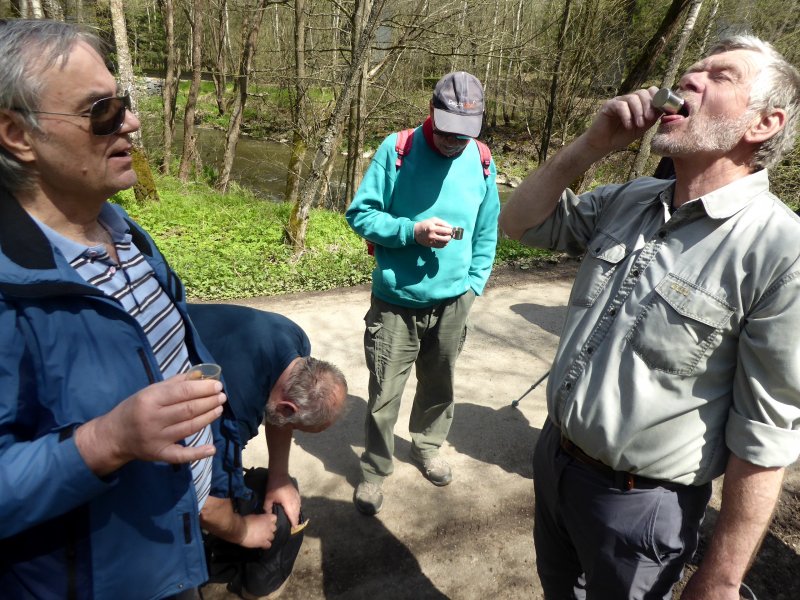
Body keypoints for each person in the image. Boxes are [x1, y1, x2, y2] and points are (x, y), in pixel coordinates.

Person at [499, 36, 800, 599]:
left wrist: (720, 580)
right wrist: (591, 145)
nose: (690, 79)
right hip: (554, 460)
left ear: (763, 124)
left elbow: (765, 435)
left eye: (720, 76)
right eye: (691, 69)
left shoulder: (782, 251)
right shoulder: (634, 197)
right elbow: (518, 222)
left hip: (640, 510)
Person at [0, 19, 248, 599]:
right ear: (17, 134)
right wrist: (107, 440)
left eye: (126, 103)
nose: (131, 122)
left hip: (173, 550)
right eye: (101, 110)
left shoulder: (124, 232)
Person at [345, 71, 500, 515]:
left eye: (466, 134)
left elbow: (487, 231)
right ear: (432, 113)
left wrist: (474, 285)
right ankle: (375, 471)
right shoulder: (397, 151)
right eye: (449, 131)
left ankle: (427, 446)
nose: (456, 142)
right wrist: (410, 231)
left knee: (440, 384)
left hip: (454, 303)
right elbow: (360, 215)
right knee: (384, 392)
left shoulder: (483, 160)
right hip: (396, 303)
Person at [188, 304, 347, 599]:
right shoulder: (227, 417)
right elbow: (207, 507)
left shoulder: (293, 341)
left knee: (275, 491)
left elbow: (281, 413)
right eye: (298, 426)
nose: (292, 429)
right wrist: (244, 531)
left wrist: (279, 476)